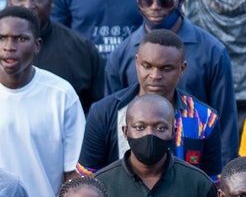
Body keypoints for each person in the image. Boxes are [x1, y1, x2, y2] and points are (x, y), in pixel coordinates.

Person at [106, 0, 237, 140]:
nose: (154, 7)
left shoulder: (212, 52)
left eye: (165, 1)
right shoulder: (121, 56)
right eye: (146, 0)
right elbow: (112, 123)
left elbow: (225, 124)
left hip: (196, 161)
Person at [80, 30, 224, 177]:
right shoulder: (103, 113)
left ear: (182, 69)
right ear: (137, 63)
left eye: (166, 68)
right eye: (147, 66)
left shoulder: (205, 118)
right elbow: (88, 180)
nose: (155, 76)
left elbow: (212, 185)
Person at [94, 94, 222, 197]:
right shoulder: (100, 185)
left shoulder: (199, 185)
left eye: (160, 128)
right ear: (126, 131)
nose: (150, 134)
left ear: (173, 132)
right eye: (140, 127)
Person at [0, 6, 85, 197]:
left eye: (20, 38)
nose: (9, 46)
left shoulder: (61, 94)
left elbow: (74, 176)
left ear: (37, 45)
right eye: (2, 38)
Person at [10, 0, 105, 114]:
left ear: (52, 0)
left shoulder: (81, 50)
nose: (28, 6)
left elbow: (100, 110)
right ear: (9, 0)